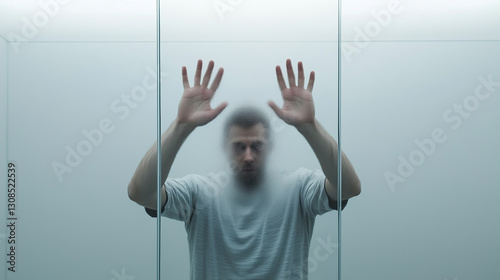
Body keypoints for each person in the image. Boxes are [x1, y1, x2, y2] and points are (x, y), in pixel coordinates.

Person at [128, 59, 361, 280]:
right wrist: (181, 126)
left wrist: (310, 127)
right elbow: (141, 193)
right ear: (224, 148)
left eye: (256, 146)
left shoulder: (298, 188)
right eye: (239, 147)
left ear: (270, 147)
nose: (248, 156)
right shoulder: (199, 192)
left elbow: (348, 188)